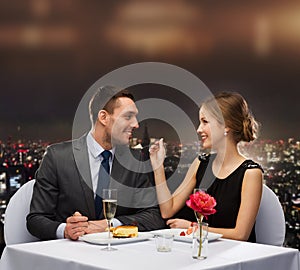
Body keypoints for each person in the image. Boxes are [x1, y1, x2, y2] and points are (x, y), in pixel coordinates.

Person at [27, 85, 165, 241]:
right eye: (128, 117)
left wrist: (109, 225)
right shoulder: (57, 157)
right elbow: (36, 220)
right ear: (104, 117)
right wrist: (65, 230)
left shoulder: (134, 161)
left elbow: (153, 216)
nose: (136, 124)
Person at [150, 91, 263, 242]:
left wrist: (192, 227)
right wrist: (158, 167)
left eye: (205, 122)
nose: (198, 129)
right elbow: (167, 210)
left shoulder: (251, 173)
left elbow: (240, 235)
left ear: (226, 126)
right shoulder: (200, 163)